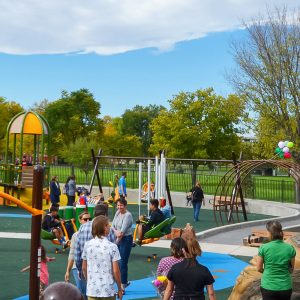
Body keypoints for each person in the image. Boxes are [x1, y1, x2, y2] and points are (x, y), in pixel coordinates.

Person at [74, 203, 116, 298]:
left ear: (93, 214)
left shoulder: (83, 227)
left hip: (88, 269)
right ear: (105, 215)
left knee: (86, 294)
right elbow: (114, 254)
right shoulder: (109, 230)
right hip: (105, 273)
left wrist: (80, 269)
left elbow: (77, 252)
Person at [82, 215, 123, 300]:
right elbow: (116, 271)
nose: (109, 227)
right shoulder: (112, 246)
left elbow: (84, 268)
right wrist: (119, 288)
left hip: (92, 289)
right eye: (108, 225)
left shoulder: (87, 245)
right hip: (108, 290)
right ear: (104, 228)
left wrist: (88, 281)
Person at [256, 220, 296, 300]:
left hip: (268, 286)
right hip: (285, 287)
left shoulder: (263, 248)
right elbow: (291, 269)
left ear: (270, 233)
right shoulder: (290, 248)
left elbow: (259, 268)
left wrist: (268, 272)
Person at [65, 212, 91, 299]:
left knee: (89, 291)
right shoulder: (76, 235)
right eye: (85, 219)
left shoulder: (94, 233)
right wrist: (68, 270)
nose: (87, 221)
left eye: (89, 219)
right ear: (80, 220)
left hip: (90, 266)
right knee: (82, 291)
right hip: (78, 266)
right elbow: (72, 254)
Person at [112, 199, 133, 293]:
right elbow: (112, 226)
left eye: (121, 206)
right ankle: (122, 282)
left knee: (122, 262)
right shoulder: (117, 213)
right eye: (118, 205)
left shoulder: (128, 215)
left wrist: (114, 244)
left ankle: (122, 286)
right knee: (116, 262)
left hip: (126, 240)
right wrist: (116, 232)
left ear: (125, 206)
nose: (119, 207)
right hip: (118, 239)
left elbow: (122, 233)